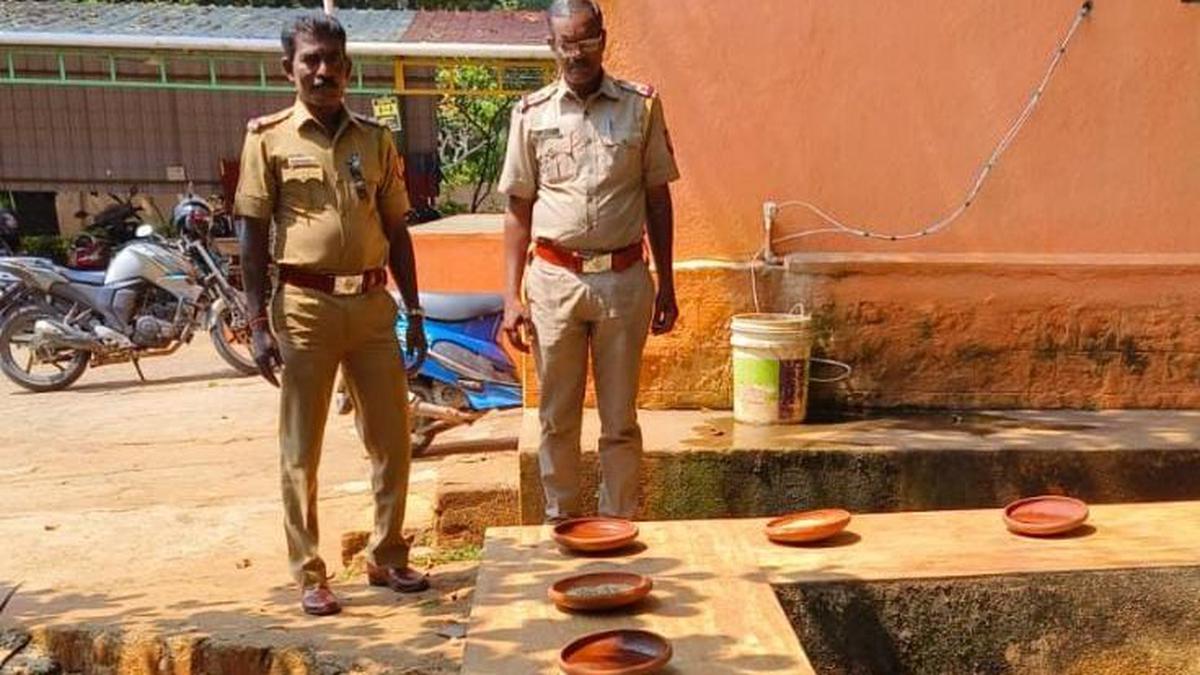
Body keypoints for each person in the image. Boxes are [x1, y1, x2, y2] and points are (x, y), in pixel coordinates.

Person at [234, 12, 429, 617]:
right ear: (288, 68)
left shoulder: (376, 140)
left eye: (332, 61)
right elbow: (251, 230)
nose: (322, 71)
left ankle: (387, 554)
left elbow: (397, 229)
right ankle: (310, 572)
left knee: (393, 439)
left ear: (348, 68)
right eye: (310, 60)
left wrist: (414, 311)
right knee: (302, 448)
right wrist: (258, 324)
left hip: (372, 307)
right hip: (304, 308)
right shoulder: (267, 138)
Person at [498, 0, 680, 522]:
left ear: (603, 38)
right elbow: (517, 209)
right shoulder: (531, 115)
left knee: (620, 417)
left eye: (584, 40)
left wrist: (666, 284)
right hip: (554, 283)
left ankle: (617, 523)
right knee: (556, 416)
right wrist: (510, 296)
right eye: (564, 42)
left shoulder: (639, 107)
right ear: (550, 45)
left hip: (624, 281)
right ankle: (562, 521)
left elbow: (658, 200)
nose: (575, 53)